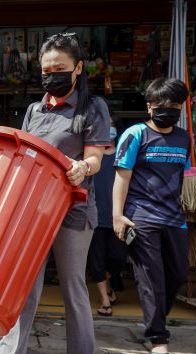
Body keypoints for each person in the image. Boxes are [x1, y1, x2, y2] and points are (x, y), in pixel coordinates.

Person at [0, 33, 111, 354]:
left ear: (78, 68)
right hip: (34, 213)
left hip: (74, 211)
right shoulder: (34, 111)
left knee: (74, 288)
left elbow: (95, 157)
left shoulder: (92, 108)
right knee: (24, 288)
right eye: (46, 70)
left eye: (59, 69)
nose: (52, 76)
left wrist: (82, 167)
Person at [112, 77, 190, 354]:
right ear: (149, 107)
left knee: (178, 274)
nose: (167, 110)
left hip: (175, 218)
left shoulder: (184, 138)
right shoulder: (135, 134)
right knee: (151, 278)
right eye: (161, 106)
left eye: (174, 106)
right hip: (141, 217)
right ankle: (159, 341)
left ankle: (154, 321)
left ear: (181, 107)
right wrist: (117, 216)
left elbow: (185, 176)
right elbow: (123, 176)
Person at [88, 112, 128, 316]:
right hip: (95, 215)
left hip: (117, 216)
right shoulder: (92, 155)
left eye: (113, 125)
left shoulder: (123, 153)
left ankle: (110, 284)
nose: (109, 129)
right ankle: (105, 301)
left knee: (117, 257)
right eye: (106, 125)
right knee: (96, 260)